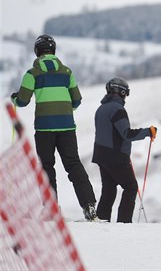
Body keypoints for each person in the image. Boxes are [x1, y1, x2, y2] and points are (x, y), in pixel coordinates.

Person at [11, 34, 98, 221]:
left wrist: (14, 98)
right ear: (54, 51)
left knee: (47, 166)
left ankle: (51, 209)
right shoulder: (67, 72)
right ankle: (89, 206)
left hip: (44, 129)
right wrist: (67, 109)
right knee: (73, 164)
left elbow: (23, 101)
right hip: (67, 127)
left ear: (37, 51)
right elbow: (77, 100)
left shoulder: (32, 74)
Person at [92, 78, 157, 223]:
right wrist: (148, 132)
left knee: (109, 190)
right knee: (130, 187)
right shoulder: (117, 109)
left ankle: (101, 220)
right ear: (121, 92)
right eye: (126, 93)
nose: (126, 96)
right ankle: (124, 222)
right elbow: (126, 134)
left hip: (101, 156)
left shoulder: (101, 109)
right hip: (116, 156)